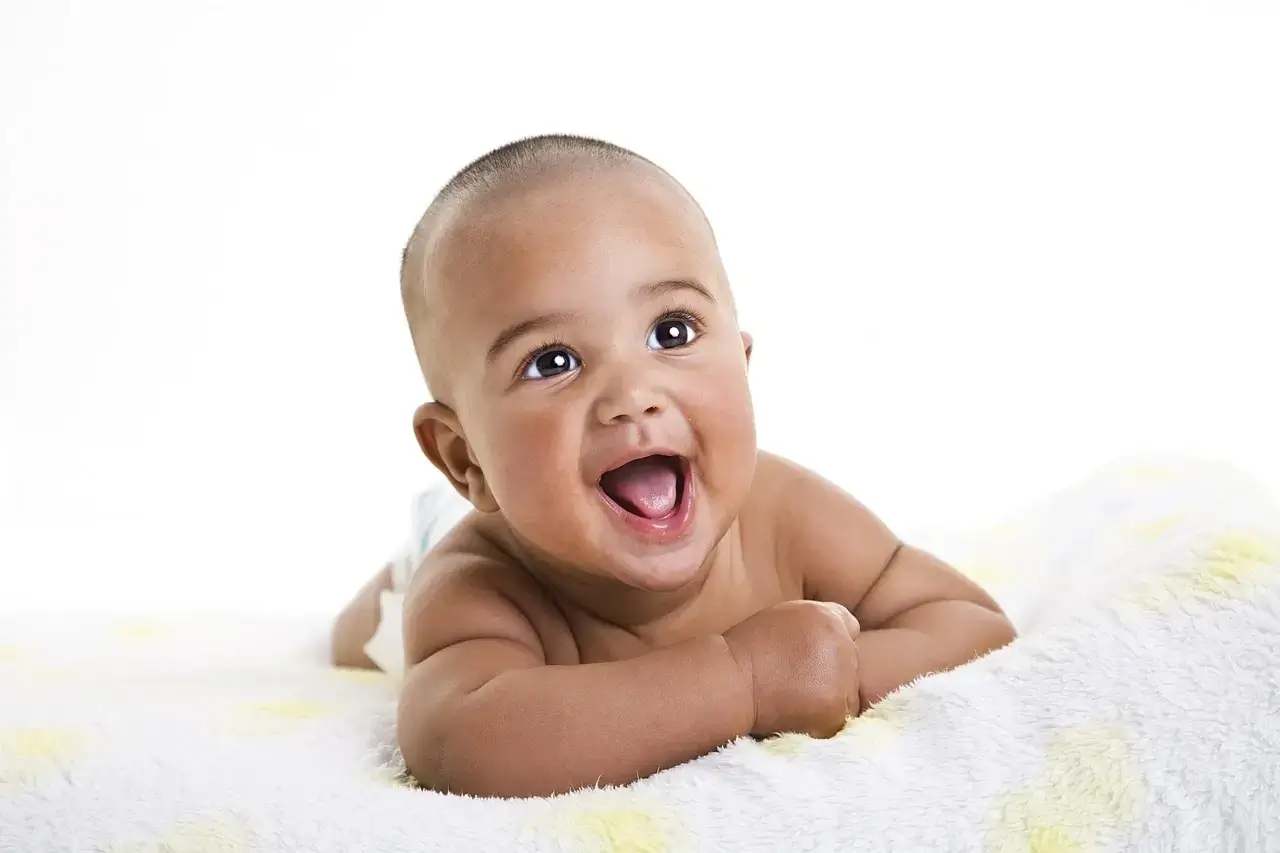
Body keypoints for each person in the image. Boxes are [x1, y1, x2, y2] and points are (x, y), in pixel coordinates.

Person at [330, 134, 1016, 798]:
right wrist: (744, 680)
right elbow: (461, 741)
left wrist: (833, 670)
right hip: (446, 535)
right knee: (361, 635)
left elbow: (971, 623)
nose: (633, 396)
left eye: (672, 332)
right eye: (552, 361)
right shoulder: (479, 587)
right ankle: (389, 577)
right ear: (464, 456)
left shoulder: (786, 514)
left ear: (742, 366)